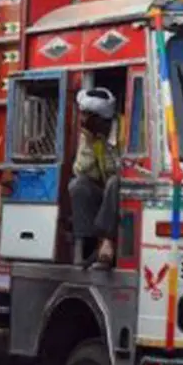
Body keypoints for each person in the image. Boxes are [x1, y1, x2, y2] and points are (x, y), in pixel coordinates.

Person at [68, 87, 121, 270]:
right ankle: (85, 247)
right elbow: (82, 170)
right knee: (78, 185)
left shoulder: (126, 130)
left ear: (98, 119)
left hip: (125, 196)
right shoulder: (92, 137)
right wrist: (88, 141)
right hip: (106, 196)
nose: (81, 120)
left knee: (115, 182)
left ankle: (107, 243)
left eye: (85, 115)